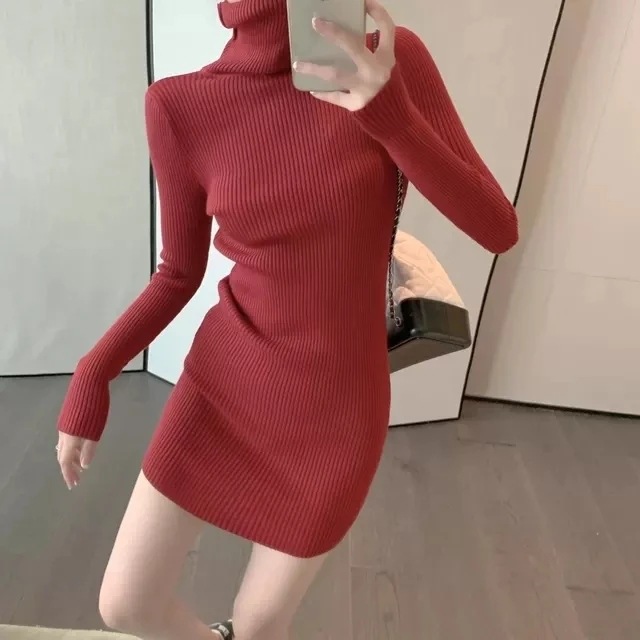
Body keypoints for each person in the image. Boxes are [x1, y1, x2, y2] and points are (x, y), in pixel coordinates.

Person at [55, 0, 518, 638]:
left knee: (261, 624)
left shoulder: (388, 59)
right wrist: (95, 369)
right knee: (127, 604)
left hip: (338, 404)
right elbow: (178, 272)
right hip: (224, 384)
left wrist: (391, 119)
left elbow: (498, 228)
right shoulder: (180, 105)